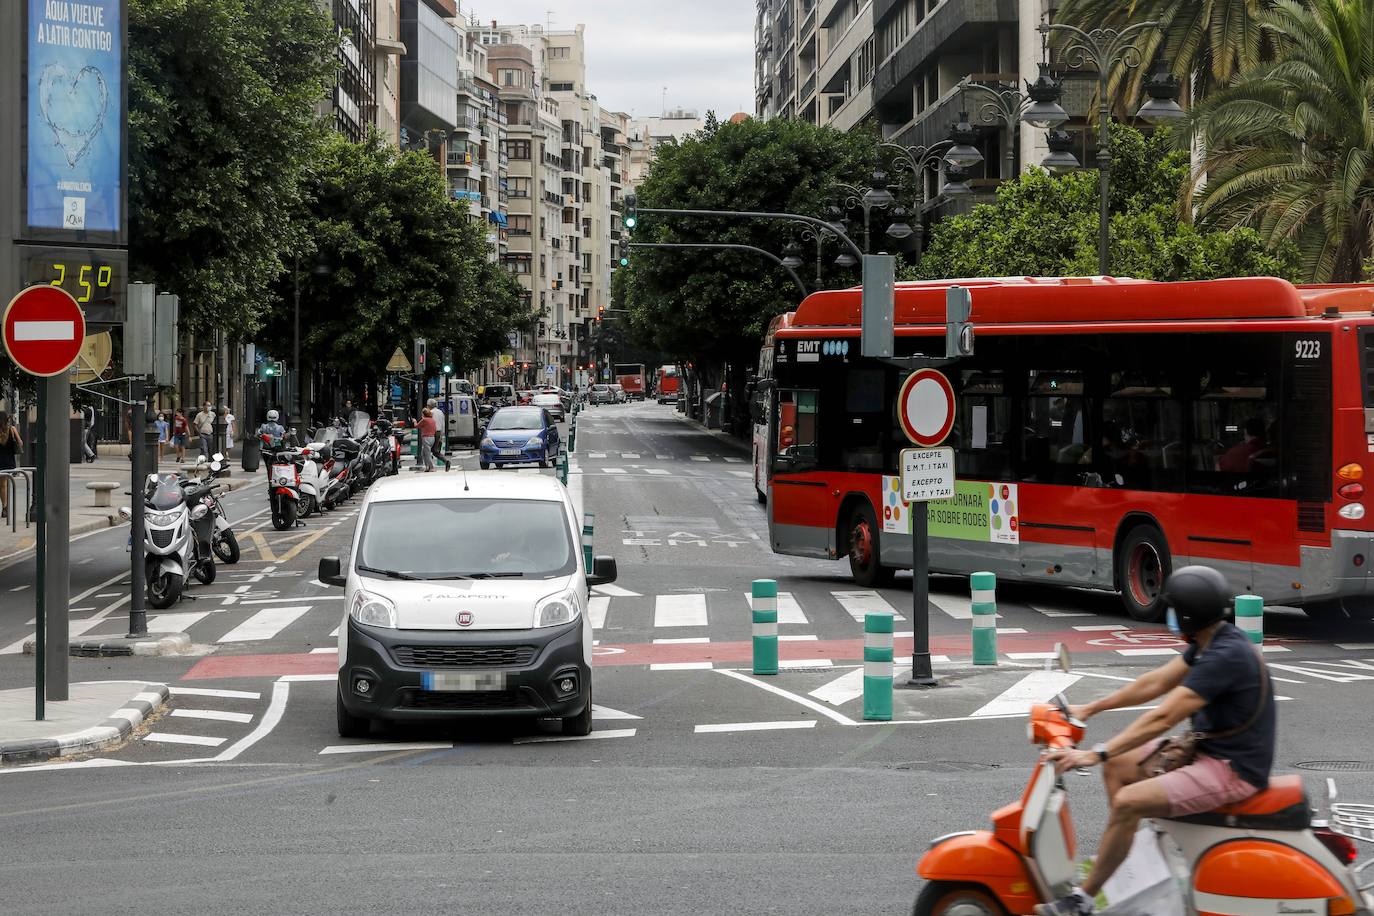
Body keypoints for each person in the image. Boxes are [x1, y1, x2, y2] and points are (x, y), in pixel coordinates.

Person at [1033, 566, 1274, 916]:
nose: (1170, 616)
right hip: (1206, 753)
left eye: (1174, 608)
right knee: (1119, 766)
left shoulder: (1226, 656)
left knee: (1129, 800)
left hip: (1232, 770)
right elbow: (1155, 683)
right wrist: (1091, 708)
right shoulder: (1211, 642)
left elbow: (1164, 716)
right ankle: (1130, 865)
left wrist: (1096, 753)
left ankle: (1081, 902)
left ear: (1189, 615)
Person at [0, 411, 22, 523]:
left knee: (2, 485)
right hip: (8, 462)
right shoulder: (12, 429)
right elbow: (20, 443)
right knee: (4, 484)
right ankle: (5, 507)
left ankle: (5, 506)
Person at [418, 407, 437, 472]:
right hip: (432, 437)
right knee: (423, 452)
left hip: (426, 437)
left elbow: (417, 426)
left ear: (423, 414)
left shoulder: (424, 420)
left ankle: (431, 467)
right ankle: (427, 467)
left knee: (427, 453)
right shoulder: (433, 420)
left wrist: (414, 421)